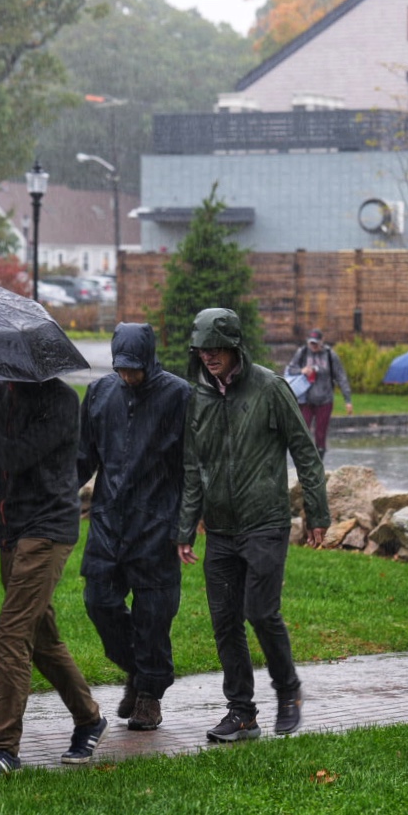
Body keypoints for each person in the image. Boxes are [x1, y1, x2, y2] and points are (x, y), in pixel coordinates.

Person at [178, 308, 331, 742]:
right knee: (225, 621)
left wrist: (316, 513)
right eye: (203, 350)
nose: (209, 357)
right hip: (221, 529)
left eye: (216, 349)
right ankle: (241, 713)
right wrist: (185, 527)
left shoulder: (270, 388)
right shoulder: (198, 398)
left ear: (234, 347)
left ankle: (288, 691)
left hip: (265, 522)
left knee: (261, 612)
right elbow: (193, 468)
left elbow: (305, 451)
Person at [0, 372, 106, 778]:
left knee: (11, 635)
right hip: (12, 528)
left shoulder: (62, 400)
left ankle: (4, 748)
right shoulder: (8, 395)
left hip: (48, 530)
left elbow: (17, 455)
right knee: (42, 639)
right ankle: (89, 719)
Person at [77, 323, 191, 730]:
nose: (127, 376)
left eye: (134, 369)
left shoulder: (179, 396)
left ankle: (148, 697)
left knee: (153, 616)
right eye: (121, 368)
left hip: (156, 525)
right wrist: (54, 495)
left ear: (149, 360)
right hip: (108, 522)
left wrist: (188, 522)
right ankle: (142, 671)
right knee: (98, 602)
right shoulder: (99, 394)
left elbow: (193, 466)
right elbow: (82, 458)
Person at [284, 328, 353, 457]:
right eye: (311, 343)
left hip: (325, 400)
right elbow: (290, 369)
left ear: (322, 341)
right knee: (302, 431)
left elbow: (341, 377)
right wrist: (302, 370)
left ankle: (319, 462)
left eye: (316, 343)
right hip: (306, 400)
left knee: (320, 434)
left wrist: (347, 400)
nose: (313, 346)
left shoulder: (330, 355)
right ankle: (304, 460)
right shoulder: (303, 352)